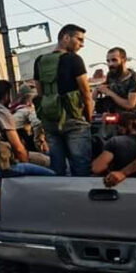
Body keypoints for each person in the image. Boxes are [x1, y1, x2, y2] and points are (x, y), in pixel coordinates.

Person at [34, 24, 94, 176]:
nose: (82, 44)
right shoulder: (74, 59)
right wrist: (88, 119)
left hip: (50, 121)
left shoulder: (39, 61)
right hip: (73, 120)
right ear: (66, 37)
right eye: (79, 39)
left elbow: (40, 94)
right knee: (81, 167)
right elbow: (86, 93)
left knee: (57, 168)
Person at [0, 80, 55, 177]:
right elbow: (19, 149)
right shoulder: (2, 113)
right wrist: (28, 161)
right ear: (6, 96)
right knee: (52, 173)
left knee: (41, 158)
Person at [91, 112, 136, 177]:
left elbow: (97, 168)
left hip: (119, 182)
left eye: (117, 126)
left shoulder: (115, 142)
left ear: (121, 127)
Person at [96, 47, 136, 116]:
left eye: (114, 60)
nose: (110, 64)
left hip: (135, 116)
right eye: (108, 61)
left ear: (124, 60)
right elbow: (102, 88)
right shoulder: (111, 75)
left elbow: (130, 105)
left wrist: (108, 92)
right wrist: (97, 90)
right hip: (115, 115)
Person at [10, 84, 48, 158]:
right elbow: (37, 123)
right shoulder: (28, 110)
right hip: (25, 147)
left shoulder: (14, 110)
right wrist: (38, 142)